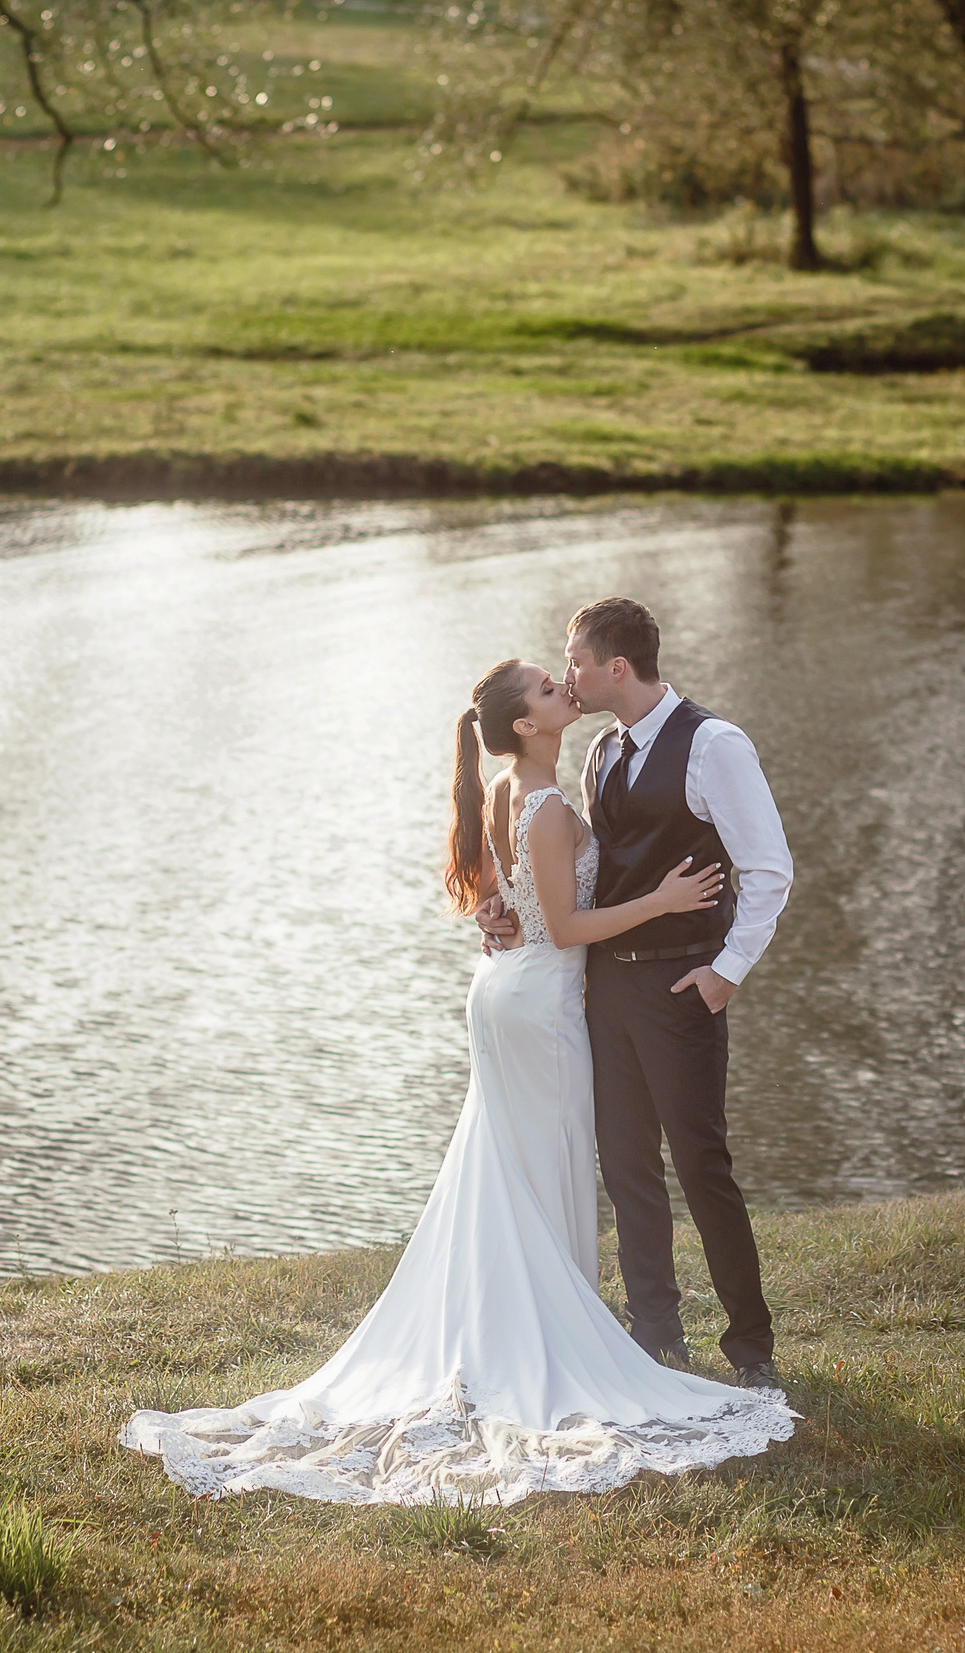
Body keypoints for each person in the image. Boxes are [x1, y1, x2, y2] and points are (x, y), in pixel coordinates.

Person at [120, 659, 796, 1504]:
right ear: (525, 724)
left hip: (517, 990)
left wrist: (498, 908)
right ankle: (545, 1342)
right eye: (551, 688)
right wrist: (661, 900)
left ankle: (527, 1328)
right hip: (540, 1002)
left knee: (507, 1172)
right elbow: (565, 922)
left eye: (565, 675)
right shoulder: (545, 803)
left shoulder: (524, 785)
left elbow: (515, 897)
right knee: (538, 1168)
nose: (565, 687)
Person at [482, 598, 792, 1384]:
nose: (570, 676)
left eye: (575, 660)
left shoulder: (714, 744)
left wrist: (726, 972)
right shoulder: (599, 755)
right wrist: (515, 917)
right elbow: (584, 884)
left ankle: (750, 1347)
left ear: (616, 667)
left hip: (683, 982)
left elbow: (768, 870)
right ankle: (655, 1332)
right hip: (603, 990)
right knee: (625, 1165)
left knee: (700, 1164)